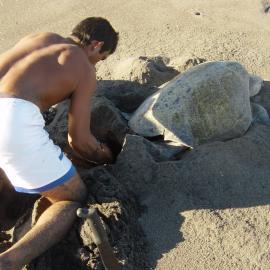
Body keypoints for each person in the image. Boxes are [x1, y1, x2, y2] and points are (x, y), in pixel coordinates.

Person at [0, 17, 119, 270]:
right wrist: (104, 154)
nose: (98, 63)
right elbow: (79, 141)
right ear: (96, 45)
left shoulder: (36, 37)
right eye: (102, 57)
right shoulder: (84, 67)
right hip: (11, 120)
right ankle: (9, 262)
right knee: (70, 198)